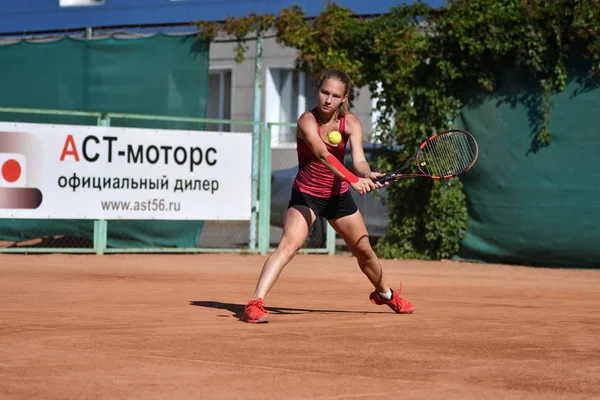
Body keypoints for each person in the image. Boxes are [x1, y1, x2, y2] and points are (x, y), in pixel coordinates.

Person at [241, 69, 414, 323]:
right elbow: (323, 155)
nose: (328, 100)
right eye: (324, 92)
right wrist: (354, 180)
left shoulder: (351, 124)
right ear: (317, 91)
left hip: (337, 197)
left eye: (335, 95)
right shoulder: (306, 121)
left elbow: (359, 161)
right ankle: (255, 303)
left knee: (364, 250)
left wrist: (367, 174)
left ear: (344, 99)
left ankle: (385, 294)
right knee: (289, 245)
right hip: (307, 195)